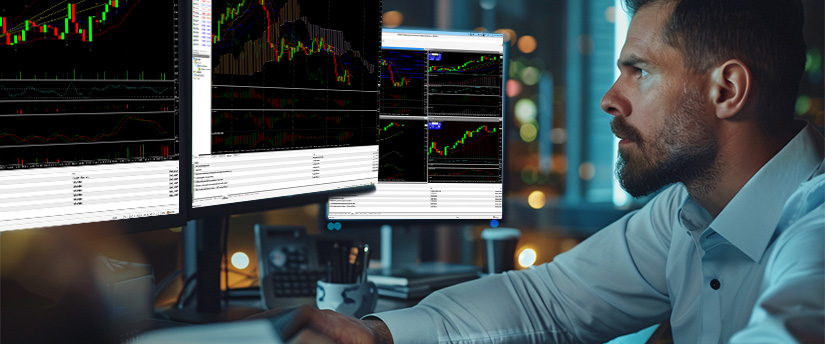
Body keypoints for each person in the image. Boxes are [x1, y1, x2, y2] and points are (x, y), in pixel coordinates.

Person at [262, 0, 825, 342]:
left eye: (639, 72)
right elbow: (549, 300)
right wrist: (376, 334)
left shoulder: (815, 229)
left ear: (726, 90)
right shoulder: (687, 215)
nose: (610, 98)